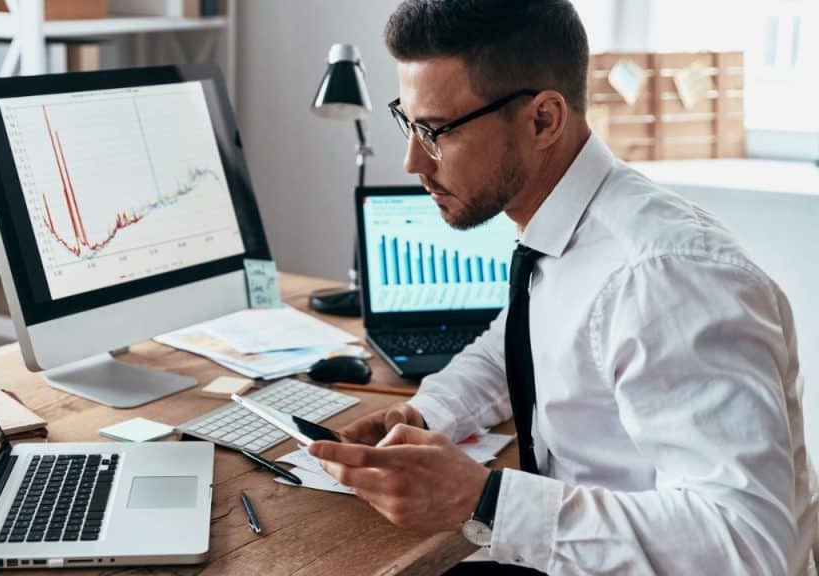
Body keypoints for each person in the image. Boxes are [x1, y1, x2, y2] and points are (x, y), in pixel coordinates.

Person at [308, 1, 817, 574]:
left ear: (543, 120)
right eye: (409, 123)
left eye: (435, 133)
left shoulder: (664, 276)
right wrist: (427, 414)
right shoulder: (560, 232)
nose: (411, 162)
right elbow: (515, 349)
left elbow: (749, 546)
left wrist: (483, 500)